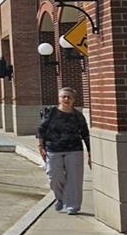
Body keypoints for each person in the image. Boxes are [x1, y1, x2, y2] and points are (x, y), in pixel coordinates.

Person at [37, 86, 91, 214]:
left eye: (69, 97)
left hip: (74, 149)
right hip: (53, 149)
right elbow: (41, 130)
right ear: (59, 98)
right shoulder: (51, 113)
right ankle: (60, 199)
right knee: (54, 176)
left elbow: (85, 134)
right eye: (64, 96)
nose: (66, 99)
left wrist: (90, 152)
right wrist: (40, 146)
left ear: (73, 100)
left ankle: (73, 206)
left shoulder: (78, 116)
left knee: (74, 179)